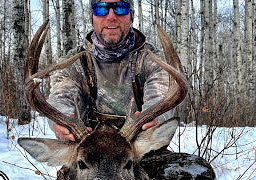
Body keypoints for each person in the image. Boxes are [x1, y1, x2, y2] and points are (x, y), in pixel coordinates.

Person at [47, 0, 172, 141]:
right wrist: (62, 122)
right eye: (101, 9)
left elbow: (160, 95)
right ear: (92, 17)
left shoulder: (153, 60)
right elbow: (60, 98)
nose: (111, 17)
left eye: (120, 8)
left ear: (131, 15)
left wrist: (154, 118)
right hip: (85, 151)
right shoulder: (74, 62)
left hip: (139, 149)